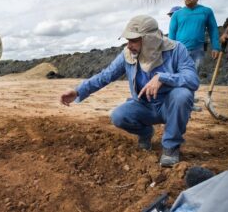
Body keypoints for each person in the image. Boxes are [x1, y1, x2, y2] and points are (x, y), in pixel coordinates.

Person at [60, 15, 199, 167]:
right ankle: (146, 133)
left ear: (149, 40)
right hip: (144, 106)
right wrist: (78, 91)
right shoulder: (128, 54)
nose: (128, 45)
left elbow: (192, 79)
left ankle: (171, 148)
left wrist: (163, 78)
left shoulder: (176, 49)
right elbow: (106, 75)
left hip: (170, 106)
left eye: (133, 40)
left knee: (183, 95)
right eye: (127, 40)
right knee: (118, 116)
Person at [169, 0, 220, 112]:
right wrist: (170, 50)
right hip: (179, 51)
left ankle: (189, 103)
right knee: (178, 76)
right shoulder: (177, 14)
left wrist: (216, 47)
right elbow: (172, 33)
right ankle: (176, 102)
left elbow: (213, 29)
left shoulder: (206, 11)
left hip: (198, 50)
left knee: (193, 77)